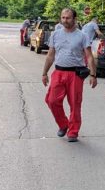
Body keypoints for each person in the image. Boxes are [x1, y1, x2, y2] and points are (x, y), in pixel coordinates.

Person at [41, 8, 98, 142]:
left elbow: (89, 57)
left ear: (74, 19)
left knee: (75, 104)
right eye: (63, 17)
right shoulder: (55, 35)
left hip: (75, 74)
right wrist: (44, 73)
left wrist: (93, 75)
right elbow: (50, 55)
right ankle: (63, 124)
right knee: (52, 101)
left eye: (68, 18)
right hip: (58, 72)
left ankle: (73, 131)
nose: (65, 20)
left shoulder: (82, 36)